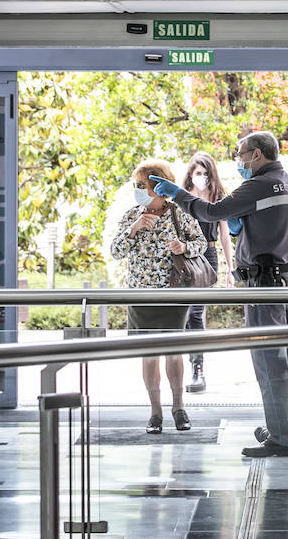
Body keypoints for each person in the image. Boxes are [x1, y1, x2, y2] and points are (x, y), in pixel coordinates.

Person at [151, 131, 288, 458]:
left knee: (268, 363)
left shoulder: (258, 185)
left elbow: (209, 213)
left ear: (257, 155)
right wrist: (244, 225)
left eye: (241, 153)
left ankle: (282, 438)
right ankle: (279, 426)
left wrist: (177, 193)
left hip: (266, 285)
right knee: (282, 361)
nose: (238, 159)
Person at [109, 159, 208, 435]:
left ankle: (179, 407)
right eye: (136, 185)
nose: (138, 190)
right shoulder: (132, 215)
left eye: (143, 185)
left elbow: (200, 244)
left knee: (173, 353)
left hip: (172, 294)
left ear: (158, 187)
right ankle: (155, 411)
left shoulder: (180, 215)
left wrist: (183, 247)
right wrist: (134, 229)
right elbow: (115, 251)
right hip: (141, 296)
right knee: (148, 355)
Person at [179, 151, 235, 394]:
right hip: (185, 256)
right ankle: (186, 364)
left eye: (206, 173)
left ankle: (197, 368)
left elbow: (224, 236)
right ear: (191, 174)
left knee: (196, 312)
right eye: (198, 173)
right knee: (184, 315)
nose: (201, 177)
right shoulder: (181, 198)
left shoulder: (218, 197)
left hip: (208, 255)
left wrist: (230, 269)